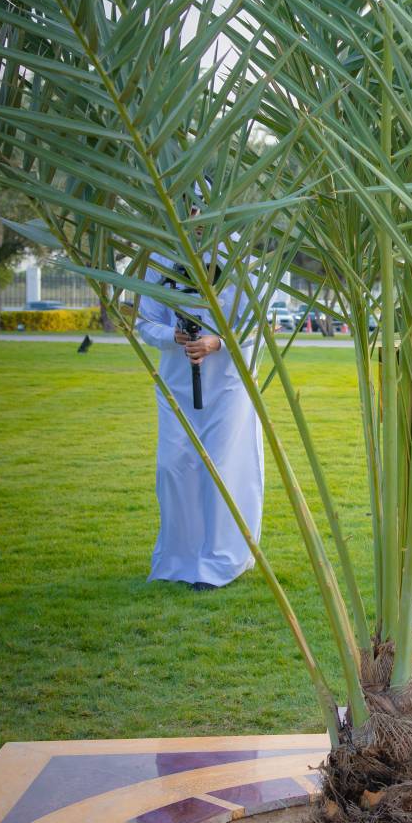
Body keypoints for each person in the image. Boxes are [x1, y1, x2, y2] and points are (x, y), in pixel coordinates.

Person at [135, 224, 263, 590]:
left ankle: (220, 562)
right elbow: (146, 321)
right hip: (176, 384)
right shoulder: (161, 257)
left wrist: (217, 342)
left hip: (228, 385)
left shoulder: (239, 255)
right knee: (173, 466)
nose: (195, 216)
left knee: (221, 469)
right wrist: (172, 336)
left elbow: (255, 322)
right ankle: (180, 558)